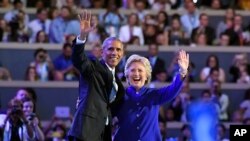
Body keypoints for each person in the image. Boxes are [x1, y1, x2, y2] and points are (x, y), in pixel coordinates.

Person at [67, 10, 125, 141]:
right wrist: (82, 36)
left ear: (122, 54)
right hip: (85, 132)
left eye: (118, 49)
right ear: (101, 52)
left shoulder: (118, 81)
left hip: (103, 134)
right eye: (110, 49)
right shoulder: (93, 66)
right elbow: (78, 59)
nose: (114, 53)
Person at [113, 50, 189, 141]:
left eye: (140, 70)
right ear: (127, 75)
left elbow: (172, 89)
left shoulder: (154, 95)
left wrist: (183, 71)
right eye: (132, 70)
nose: (136, 73)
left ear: (146, 76)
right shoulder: (119, 96)